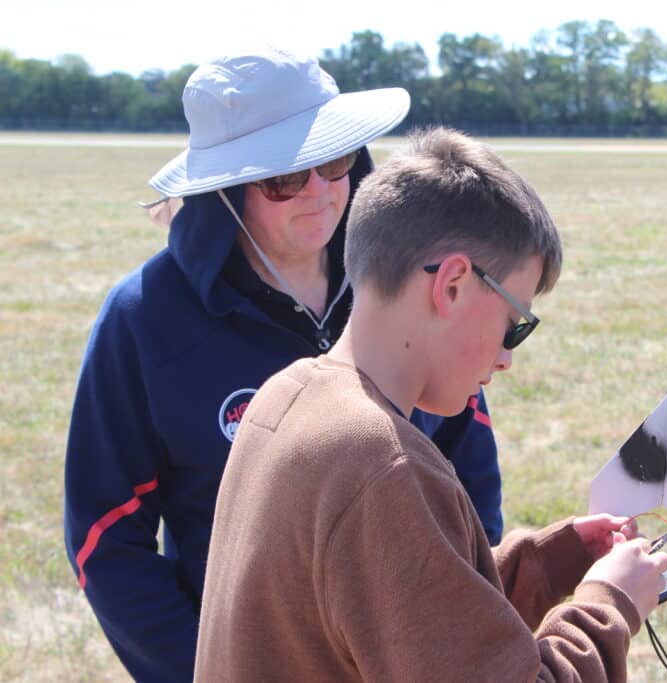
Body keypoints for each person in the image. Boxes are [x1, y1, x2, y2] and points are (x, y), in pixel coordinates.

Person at [62, 49, 504, 683]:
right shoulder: (143, 319)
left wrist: (460, 613)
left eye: (333, 160)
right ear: (227, 190)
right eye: (283, 179)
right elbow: (105, 536)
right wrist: (207, 668)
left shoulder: (407, 283)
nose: (321, 193)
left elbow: (468, 459)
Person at [195, 126, 667, 682]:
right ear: (452, 285)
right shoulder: (379, 466)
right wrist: (609, 606)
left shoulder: (290, 395)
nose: (506, 358)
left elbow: (401, 608)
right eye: (513, 325)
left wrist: (545, 562)